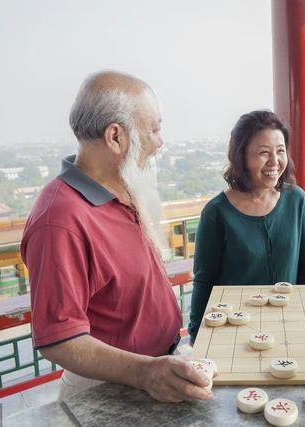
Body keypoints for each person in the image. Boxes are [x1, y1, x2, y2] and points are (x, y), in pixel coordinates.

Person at [21, 71, 213, 402]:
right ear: (115, 137)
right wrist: (145, 372)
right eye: (153, 129)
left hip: (157, 370)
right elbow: (59, 339)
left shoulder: (123, 189)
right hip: (109, 389)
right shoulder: (60, 217)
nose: (159, 142)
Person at [188, 110, 305, 342]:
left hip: (288, 325)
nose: (274, 161)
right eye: (263, 153)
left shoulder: (296, 200)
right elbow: (203, 281)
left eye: (280, 151)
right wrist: (197, 336)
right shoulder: (216, 213)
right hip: (233, 330)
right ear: (241, 157)